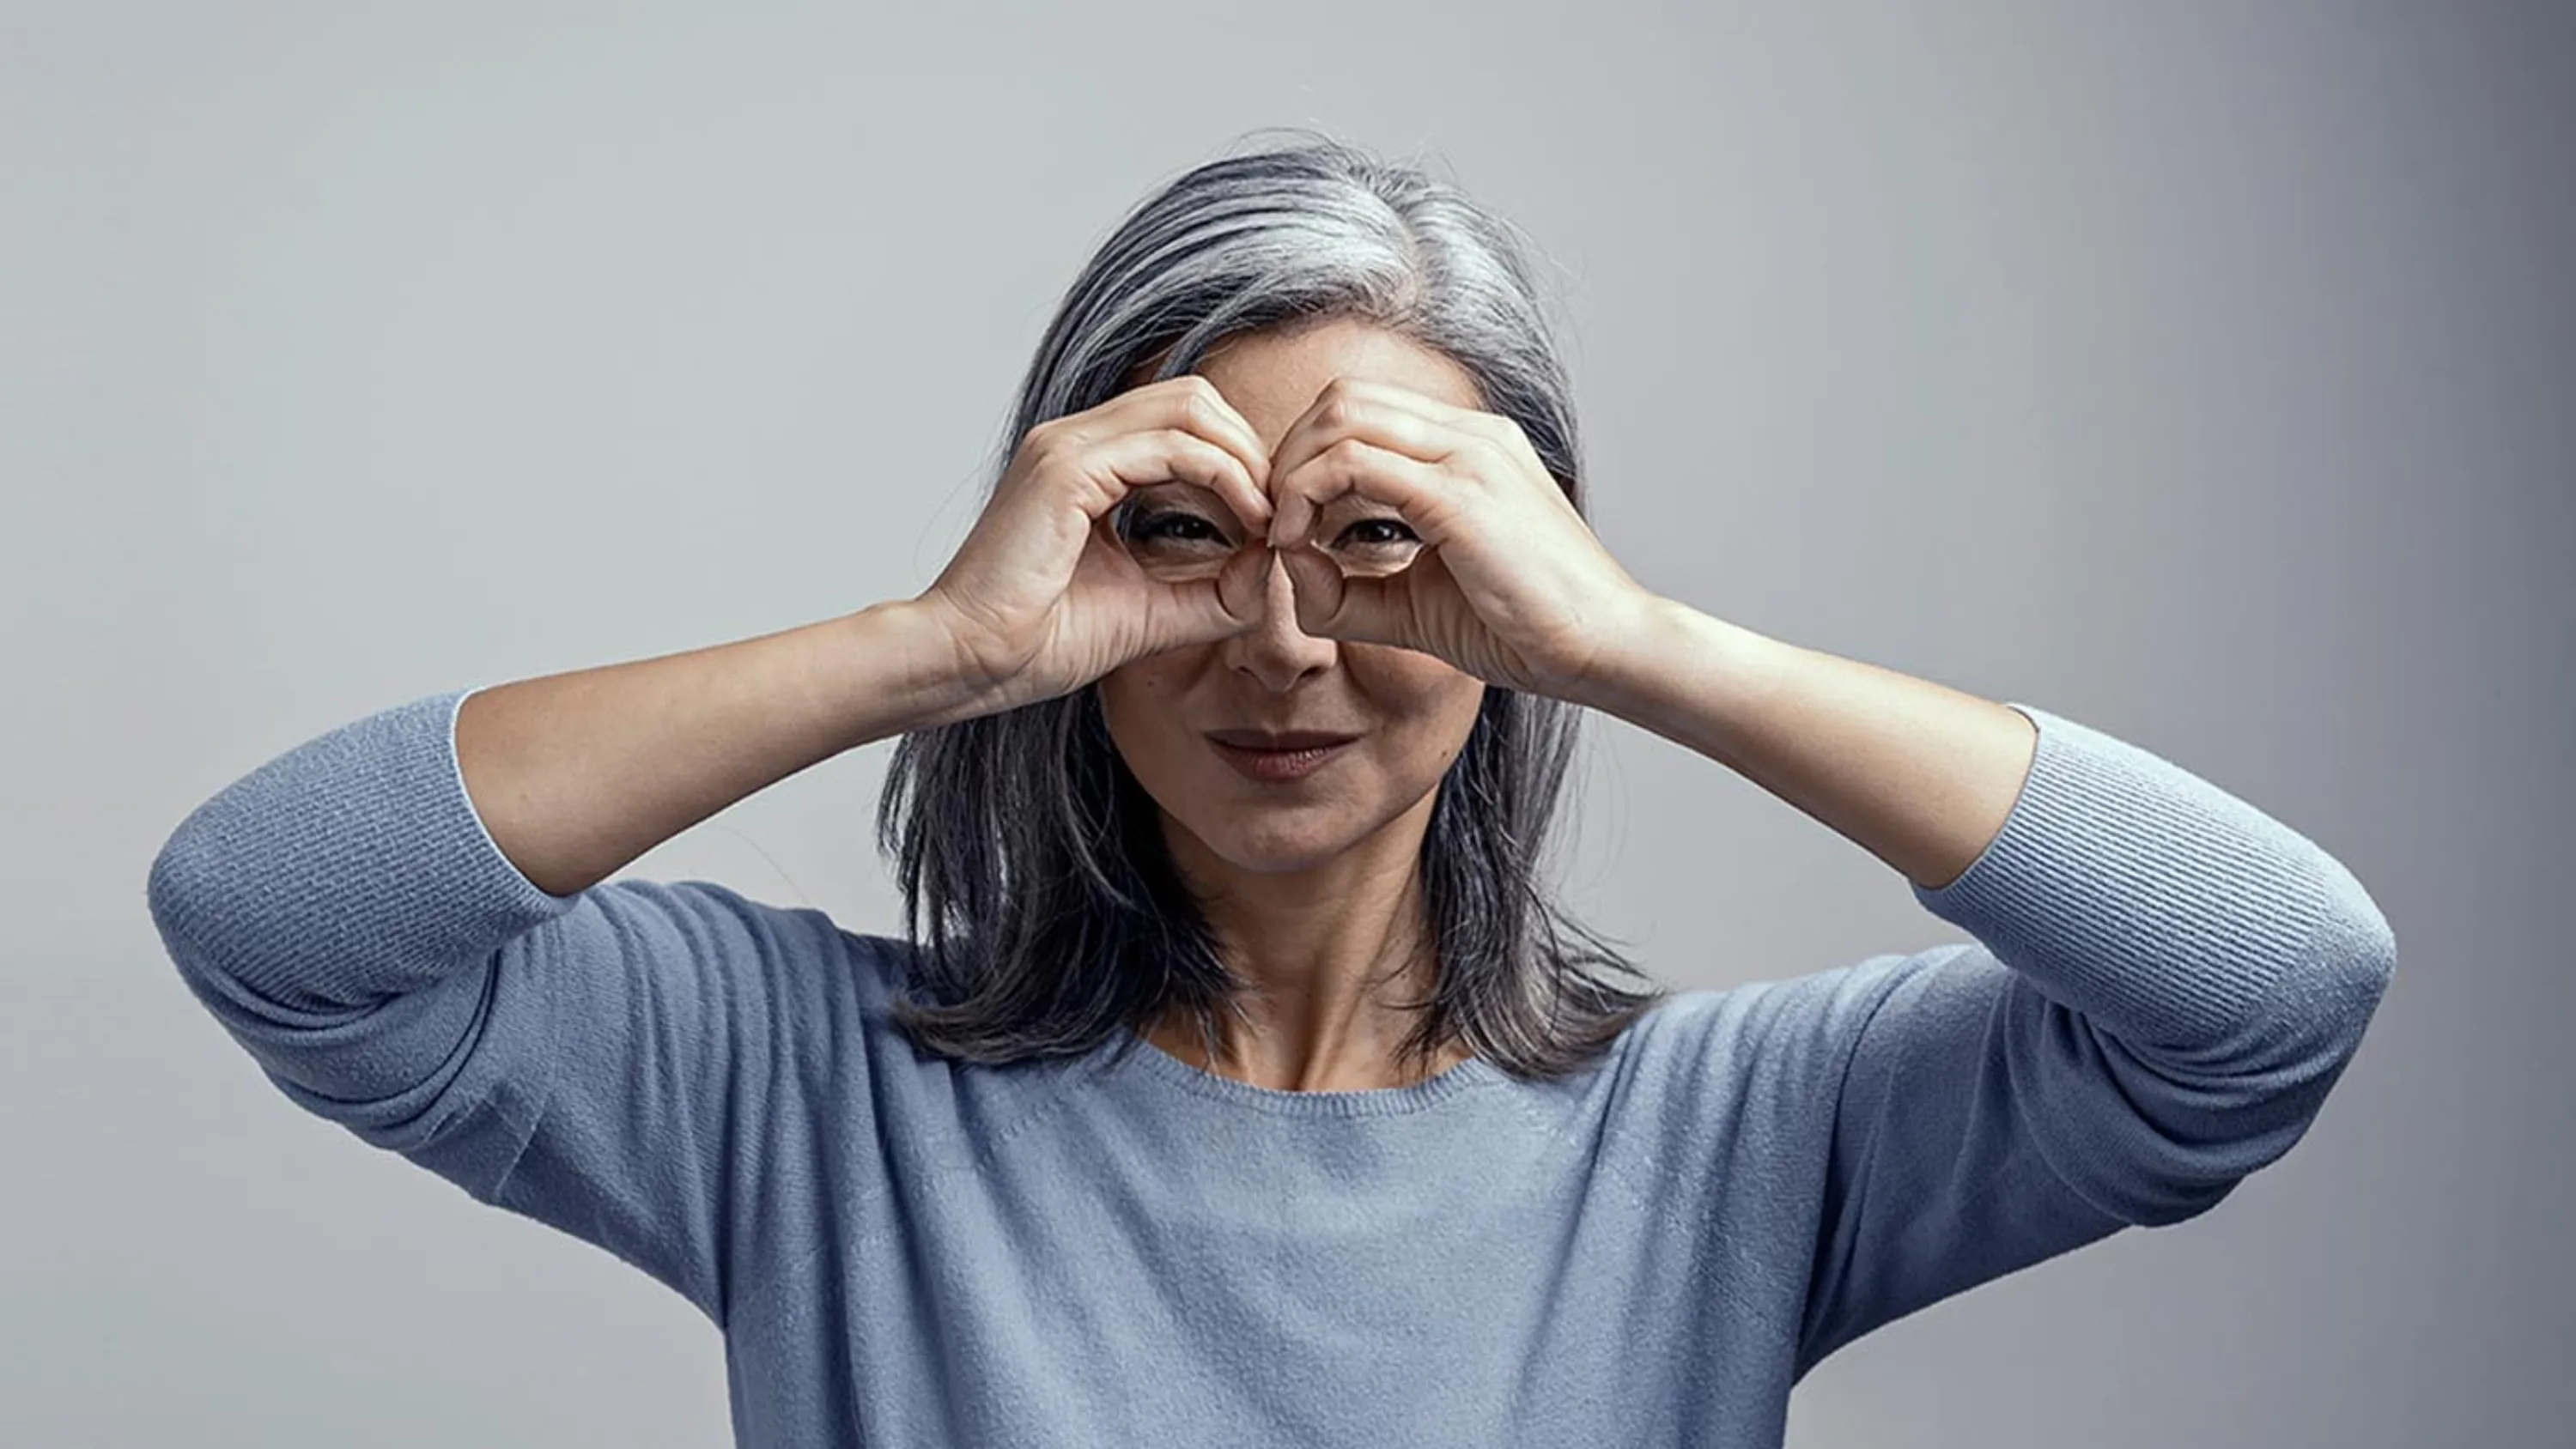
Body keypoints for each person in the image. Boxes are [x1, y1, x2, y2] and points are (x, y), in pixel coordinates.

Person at [145, 130, 2397, 1447]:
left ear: (1519, 588)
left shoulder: (1729, 1136)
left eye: (1386, 549)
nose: (1287, 647)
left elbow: (2275, 983)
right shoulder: (809, 1092)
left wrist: (1633, 643)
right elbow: (274, 910)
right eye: (1188, 543)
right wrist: (944, 649)